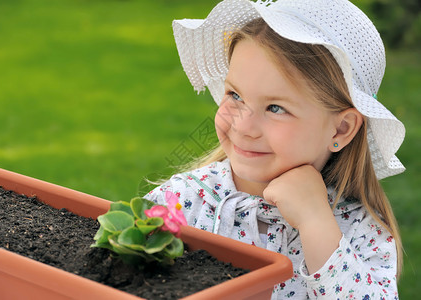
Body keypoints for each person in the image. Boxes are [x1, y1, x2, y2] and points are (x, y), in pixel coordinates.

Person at [144, 0, 405, 298]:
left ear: (341, 128)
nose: (243, 127)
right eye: (235, 95)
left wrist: (316, 223)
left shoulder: (358, 230)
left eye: (276, 107)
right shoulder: (183, 201)